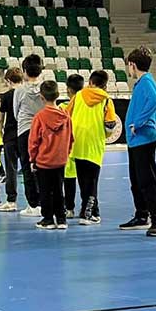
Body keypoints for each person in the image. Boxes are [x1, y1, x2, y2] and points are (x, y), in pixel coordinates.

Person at [60, 70, 117, 225]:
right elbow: (110, 123)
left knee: (83, 179)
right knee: (92, 182)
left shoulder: (78, 96)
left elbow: (66, 114)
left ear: (90, 82)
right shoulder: (106, 100)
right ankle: (88, 214)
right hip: (94, 144)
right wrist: (103, 135)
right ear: (105, 86)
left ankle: (90, 210)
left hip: (77, 144)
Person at [119, 46, 156, 237]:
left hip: (144, 139)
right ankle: (141, 215)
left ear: (132, 65)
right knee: (137, 181)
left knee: (147, 181)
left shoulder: (146, 82)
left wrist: (137, 123)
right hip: (136, 141)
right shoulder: (142, 82)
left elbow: (154, 101)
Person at [28, 80, 73, 230]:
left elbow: (34, 141)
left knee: (45, 190)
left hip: (44, 161)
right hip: (60, 160)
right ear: (58, 95)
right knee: (59, 189)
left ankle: (47, 219)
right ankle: (61, 219)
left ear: (41, 97)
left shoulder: (39, 117)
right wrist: (66, 153)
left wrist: (32, 159)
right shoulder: (66, 116)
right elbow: (71, 138)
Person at [14, 55, 44, 217]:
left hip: (25, 130)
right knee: (43, 166)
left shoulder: (19, 90)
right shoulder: (45, 87)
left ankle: (33, 204)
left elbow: (16, 112)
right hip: (43, 131)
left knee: (27, 167)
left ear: (25, 71)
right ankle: (44, 202)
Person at [0, 67, 24, 212]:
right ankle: (35, 202)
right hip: (25, 133)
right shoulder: (27, 93)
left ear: (8, 80)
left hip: (10, 135)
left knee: (11, 168)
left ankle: (11, 201)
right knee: (28, 168)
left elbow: (1, 117)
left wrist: (0, 130)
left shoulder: (6, 96)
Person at [59, 74, 84, 218]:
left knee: (67, 179)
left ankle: (69, 208)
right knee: (86, 181)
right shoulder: (87, 106)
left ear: (68, 89)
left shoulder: (63, 107)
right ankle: (89, 209)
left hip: (67, 147)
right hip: (84, 146)